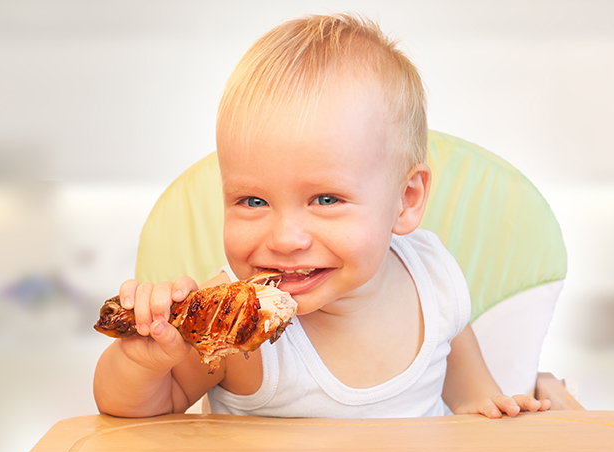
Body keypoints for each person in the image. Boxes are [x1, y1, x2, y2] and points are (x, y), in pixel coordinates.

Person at [94, 13, 551, 419]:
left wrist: (480, 402)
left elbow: (463, 377)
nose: (286, 238)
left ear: (406, 199)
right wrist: (141, 364)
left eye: (326, 200)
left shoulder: (432, 276)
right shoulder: (230, 326)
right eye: (253, 202)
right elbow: (147, 408)